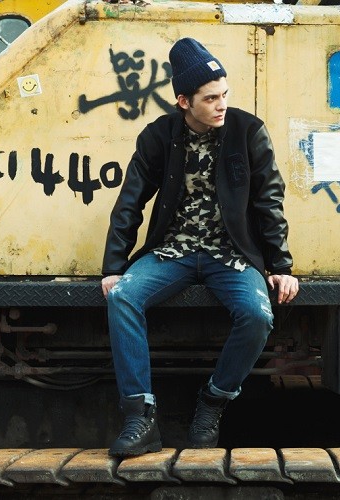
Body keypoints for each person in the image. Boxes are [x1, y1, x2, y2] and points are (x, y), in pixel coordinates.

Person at [100, 37, 299, 457]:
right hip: (173, 252)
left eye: (224, 94)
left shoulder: (248, 131)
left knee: (257, 315)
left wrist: (280, 265)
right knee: (122, 297)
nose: (221, 105)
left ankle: (213, 401)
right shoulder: (159, 136)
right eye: (210, 98)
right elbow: (131, 200)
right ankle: (139, 417)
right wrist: (114, 266)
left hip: (232, 255)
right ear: (184, 101)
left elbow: (269, 200)